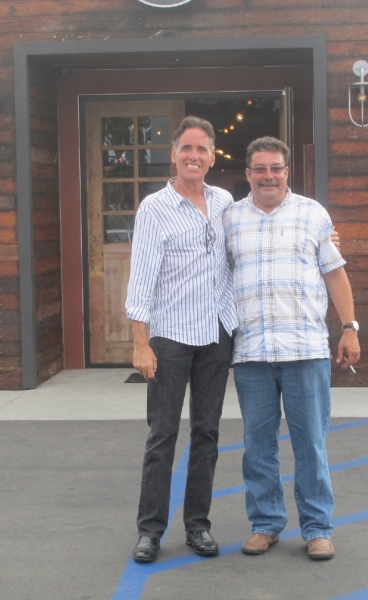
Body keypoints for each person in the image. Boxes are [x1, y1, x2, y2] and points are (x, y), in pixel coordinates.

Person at [223, 136, 361, 561]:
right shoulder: (230, 219)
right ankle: (265, 524)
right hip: (252, 352)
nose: (268, 176)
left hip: (305, 349)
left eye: (276, 168)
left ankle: (317, 529)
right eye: (260, 169)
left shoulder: (312, 214)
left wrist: (350, 328)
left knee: (311, 445)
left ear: (286, 172)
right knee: (257, 446)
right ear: (248, 174)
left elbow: (335, 274)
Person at [125, 116, 238, 563]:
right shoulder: (155, 208)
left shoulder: (225, 201)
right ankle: (150, 531)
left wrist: (325, 236)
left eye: (202, 149)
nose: (194, 156)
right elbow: (141, 280)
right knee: (163, 434)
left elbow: (256, 235)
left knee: (207, 433)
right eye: (186, 148)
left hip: (216, 333)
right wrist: (141, 343)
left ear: (212, 157)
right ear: (173, 154)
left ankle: (198, 526)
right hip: (170, 337)